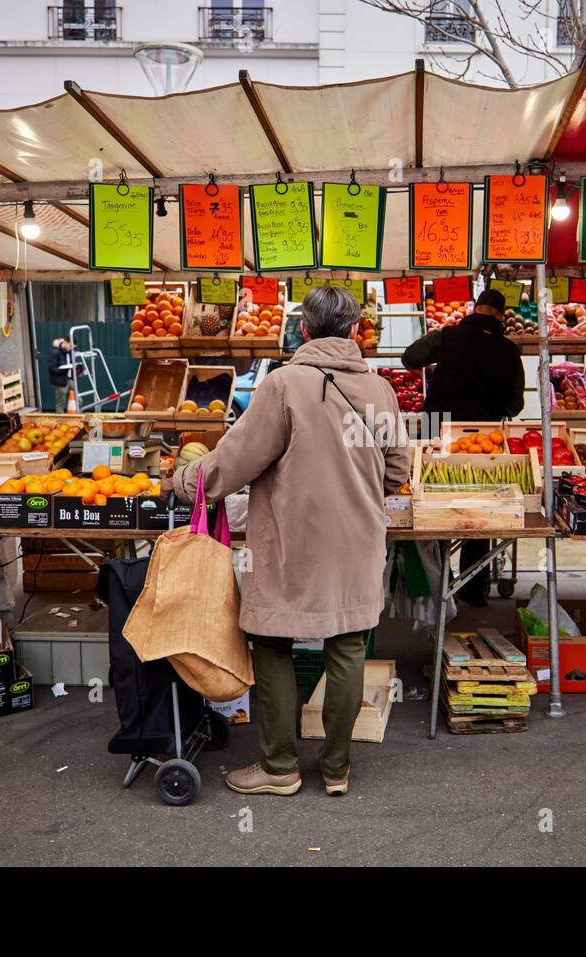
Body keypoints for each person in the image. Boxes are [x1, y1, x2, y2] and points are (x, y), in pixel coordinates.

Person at [164, 286, 410, 798]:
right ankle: (337, 769)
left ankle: (280, 767)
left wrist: (185, 479)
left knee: (272, 642)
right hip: (358, 539)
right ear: (355, 332)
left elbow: (234, 463)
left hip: (288, 542)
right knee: (346, 644)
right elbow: (396, 471)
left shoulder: (281, 385)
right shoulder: (380, 389)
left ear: (302, 329)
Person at [401, 287, 525, 606]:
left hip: (437, 427)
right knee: (479, 507)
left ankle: (434, 582)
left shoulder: (448, 336)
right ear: (500, 315)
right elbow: (515, 405)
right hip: (481, 436)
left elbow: (409, 358)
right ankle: (472, 585)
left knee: (433, 501)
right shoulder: (510, 351)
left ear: (475, 307)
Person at [47, 338, 75, 412]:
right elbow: (52, 368)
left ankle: (75, 417)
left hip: (69, 379)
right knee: (60, 403)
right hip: (60, 381)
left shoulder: (69, 352)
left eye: (73, 347)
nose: (71, 348)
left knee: (78, 399)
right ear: (65, 343)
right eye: (70, 346)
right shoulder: (55, 352)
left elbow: (70, 364)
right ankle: (61, 420)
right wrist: (64, 369)